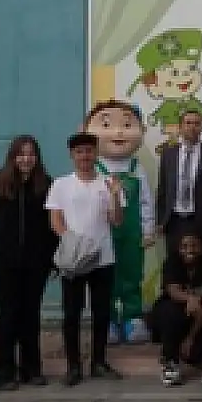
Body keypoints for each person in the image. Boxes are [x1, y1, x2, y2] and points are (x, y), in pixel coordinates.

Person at [0, 135, 56, 388]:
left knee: (31, 314)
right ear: (13, 157)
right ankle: (5, 371)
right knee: (8, 313)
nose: (26, 159)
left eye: (31, 154)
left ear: (37, 157)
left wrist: (52, 258)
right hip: (1, 261)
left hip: (36, 262)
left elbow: (53, 225)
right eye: (21, 154)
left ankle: (32, 369)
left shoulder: (47, 184)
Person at [47, 132, 125, 386]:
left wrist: (115, 195)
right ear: (72, 155)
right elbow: (56, 221)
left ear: (96, 153)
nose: (85, 156)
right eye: (79, 152)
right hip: (74, 260)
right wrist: (75, 245)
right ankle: (73, 366)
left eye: (89, 151)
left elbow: (117, 220)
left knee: (101, 312)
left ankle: (99, 362)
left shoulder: (108, 182)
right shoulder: (61, 184)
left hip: (103, 258)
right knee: (72, 313)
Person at [83, 100, 155, 346]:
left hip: (132, 232)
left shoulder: (137, 168)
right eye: (106, 125)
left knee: (132, 273)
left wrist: (148, 229)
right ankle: (109, 319)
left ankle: (132, 317)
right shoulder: (95, 168)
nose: (118, 132)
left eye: (126, 125)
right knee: (106, 276)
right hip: (104, 232)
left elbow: (146, 200)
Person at [156, 109, 202, 256]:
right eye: (188, 123)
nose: (192, 127)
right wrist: (160, 220)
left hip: (201, 219)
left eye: (196, 123)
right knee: (174, 260)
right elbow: (163, 188)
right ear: (180, 127)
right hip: (174, 219)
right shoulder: (168, 154)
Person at [155, 232, 202, 386]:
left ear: (201, 247)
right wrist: (190, 298)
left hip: (198, 320)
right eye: (185, 246)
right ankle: (170, 363)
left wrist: (190, 337)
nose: (190, 250)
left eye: (194, 245)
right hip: (174, 317)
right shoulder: (172, 262)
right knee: (168, 310)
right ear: (179, 249)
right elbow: (173, 291)